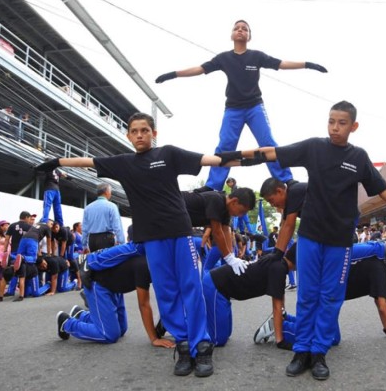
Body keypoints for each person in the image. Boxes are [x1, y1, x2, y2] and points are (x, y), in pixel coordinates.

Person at [220, 101, 386, 380]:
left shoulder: (359, 157)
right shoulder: (314, 148)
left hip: (340, 242)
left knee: (330, 298)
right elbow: (271, 152)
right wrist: (231, 156)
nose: (334, 127)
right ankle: (302, 351)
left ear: (353, 126)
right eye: (331, 121)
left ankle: (319, 352)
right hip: (310, 238)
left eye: (342, 123)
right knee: (307, 295)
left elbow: (385, 191)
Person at [34, 112, 244, 378]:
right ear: (129, 135)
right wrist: (55, 162)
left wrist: (245, 158)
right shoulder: (123, 163)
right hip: (151, 238)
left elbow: (210, 159)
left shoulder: (168, 154)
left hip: (179, 232)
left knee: (191, 287)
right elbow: (87, 160)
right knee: (167, 293)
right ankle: (182, 345)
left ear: (153, 133)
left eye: (145, 130)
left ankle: (201, 347)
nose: (140, 135)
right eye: (134, 131)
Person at [155, 19, 327, 191]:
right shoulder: (223, 58)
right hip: (233, 109)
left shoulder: (256, 56)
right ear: (232, 35)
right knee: (225, 146)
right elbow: (199, 69)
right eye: (236, 28)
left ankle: (287, 179)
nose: (240, 30)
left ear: (249, 36)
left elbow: (281, 64)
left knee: (268, 143)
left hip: (255, 107)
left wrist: (308, 65)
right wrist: (173, 74)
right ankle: (212, 185)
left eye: (244, 29)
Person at [257, 241, 386, 352]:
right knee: (330, 338)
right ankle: (280, 326)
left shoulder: (376, 255)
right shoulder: (378, 267)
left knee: (332, 337)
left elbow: (378, 301)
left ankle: (284, 318)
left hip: (323, 287)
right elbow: (382, 304)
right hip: (321, 289)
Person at [56, 253, 174, 347]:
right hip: (98, 285)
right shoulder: (145, 265)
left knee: (121, 329)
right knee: (109, 335)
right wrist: (154, 339)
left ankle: (81, 315)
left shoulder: (155, 260)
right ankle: (67, 323)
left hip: (115, 288)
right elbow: (144, 304)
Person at [81, 183, 125, 253]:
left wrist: (84, 245)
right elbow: (117, 227)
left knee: (96, 262)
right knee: (108, 262)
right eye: (110, 192)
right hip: (106, 239)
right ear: (107, 192)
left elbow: (84, 228)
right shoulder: (112, 206)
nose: (110, 194)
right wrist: (121, 242)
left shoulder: (88, 208)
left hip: (92, 240)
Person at [37, 157, 67, 226]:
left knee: (47, 205)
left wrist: (35, 167)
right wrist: (67, 177)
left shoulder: (47, 167)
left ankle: (44, 220)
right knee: (57, 207)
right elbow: (63, 175)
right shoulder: (57, 170)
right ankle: (60, 223)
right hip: (57, 190)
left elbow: (40, 168)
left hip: (49, 188)